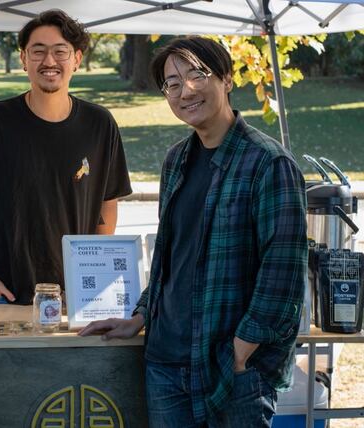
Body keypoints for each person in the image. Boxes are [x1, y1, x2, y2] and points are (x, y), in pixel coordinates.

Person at [79, 37, 307, 428]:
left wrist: (241, 351)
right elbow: (171, 255)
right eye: (171, 83)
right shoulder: (176, 160)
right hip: (165, 364)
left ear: (227, 79)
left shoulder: (268, 163)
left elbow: (283, 273)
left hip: (229, 368)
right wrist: (140, 316)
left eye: (196, 75)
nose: (185, 90)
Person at [0, 9, 132, 305]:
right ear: (24, 59)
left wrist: (91, 278)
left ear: (76, 58)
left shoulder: (100, 124)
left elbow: (106, 204)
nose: (49, 61)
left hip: (75, 297)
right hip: (3, 292)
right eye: (38, 51)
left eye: (60, 52)